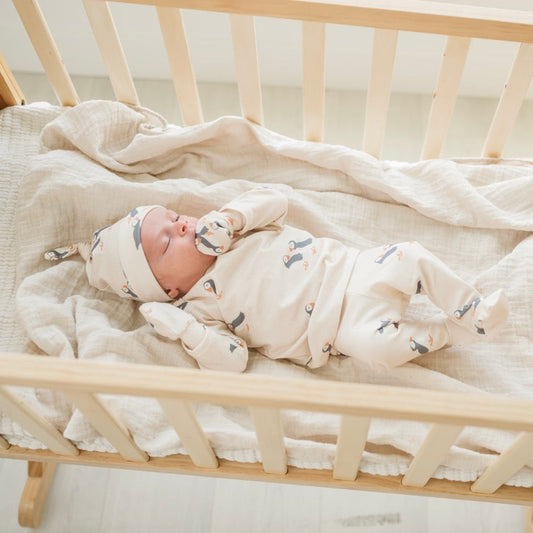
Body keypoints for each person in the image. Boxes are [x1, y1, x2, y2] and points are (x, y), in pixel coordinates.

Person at [45, 188, 509, 372]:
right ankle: (453, 332)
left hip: (354, 268)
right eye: (167, 242)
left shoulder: (225, 230)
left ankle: (472, 311)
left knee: (411, 255)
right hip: (338, 332)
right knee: (379, 350)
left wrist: (232, 216)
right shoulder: (197, 309)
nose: (184, 225)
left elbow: (276, 202)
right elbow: (232, 362)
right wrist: (186, 332)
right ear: (166, 289)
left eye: (175, 217)